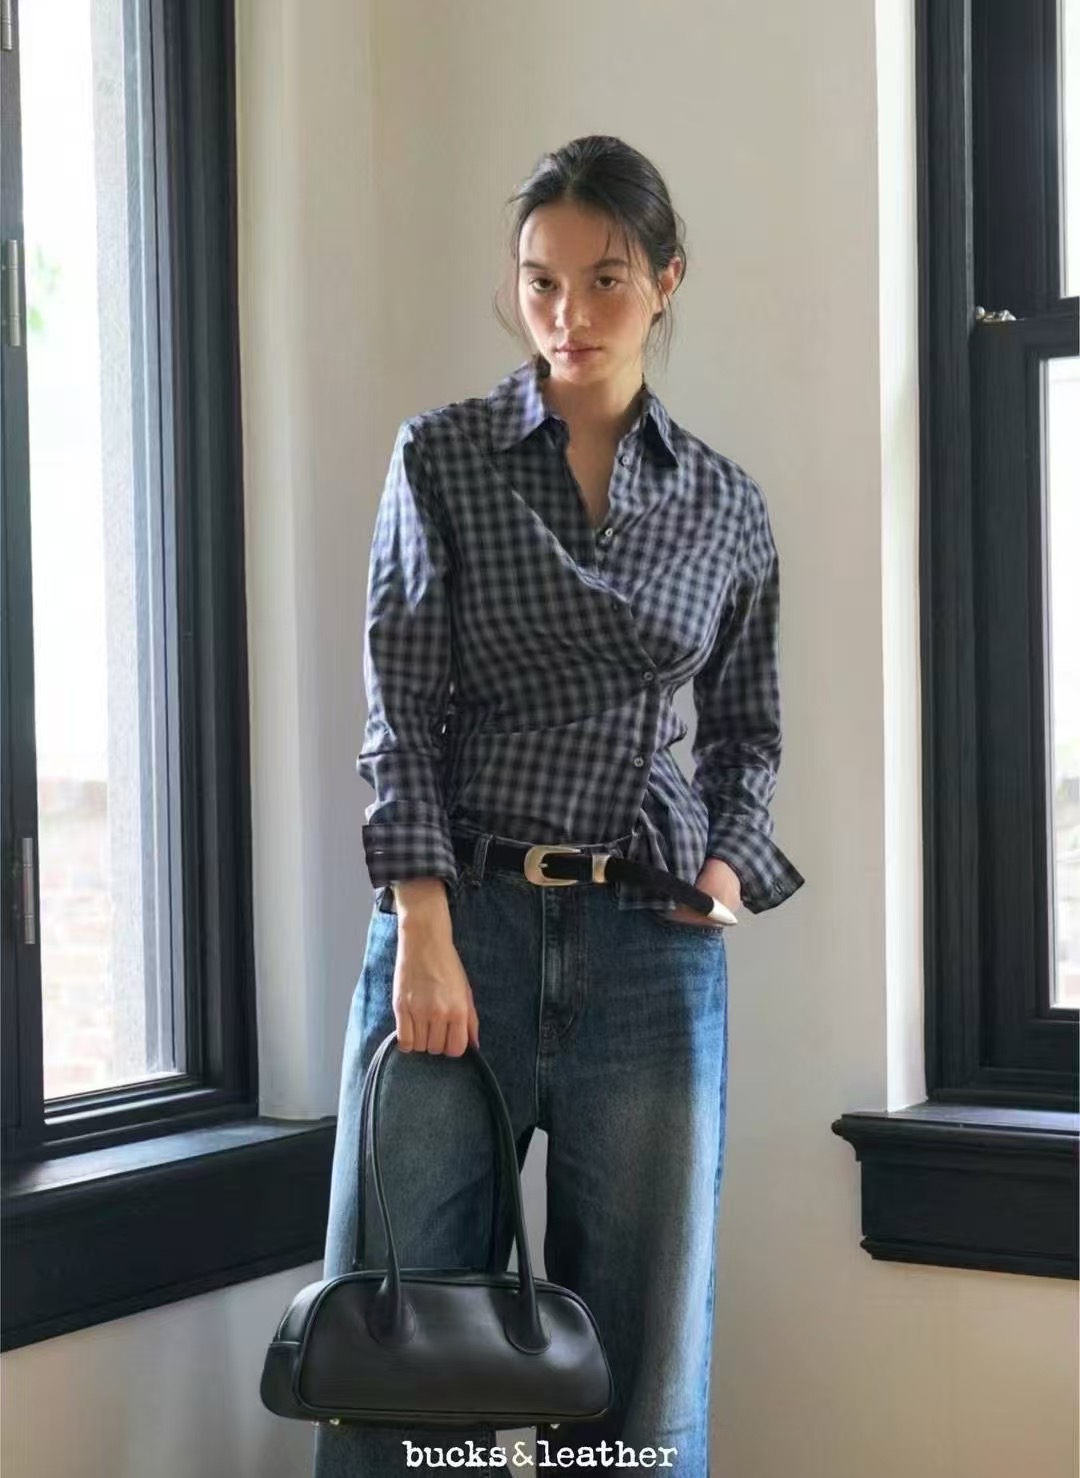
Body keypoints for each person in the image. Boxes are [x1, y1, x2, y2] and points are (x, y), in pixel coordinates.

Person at [312, 135, 804, 1478]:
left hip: (649, 951)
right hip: (456, 925)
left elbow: (748, 731)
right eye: (541, 281)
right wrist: (423, 930)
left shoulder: (724, 504)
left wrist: (722, 873)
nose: (567, 314)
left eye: (605, 280)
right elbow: (400, 707)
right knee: (398, 1345)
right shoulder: (444, 457)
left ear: (666, 281)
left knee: (644, 1367)